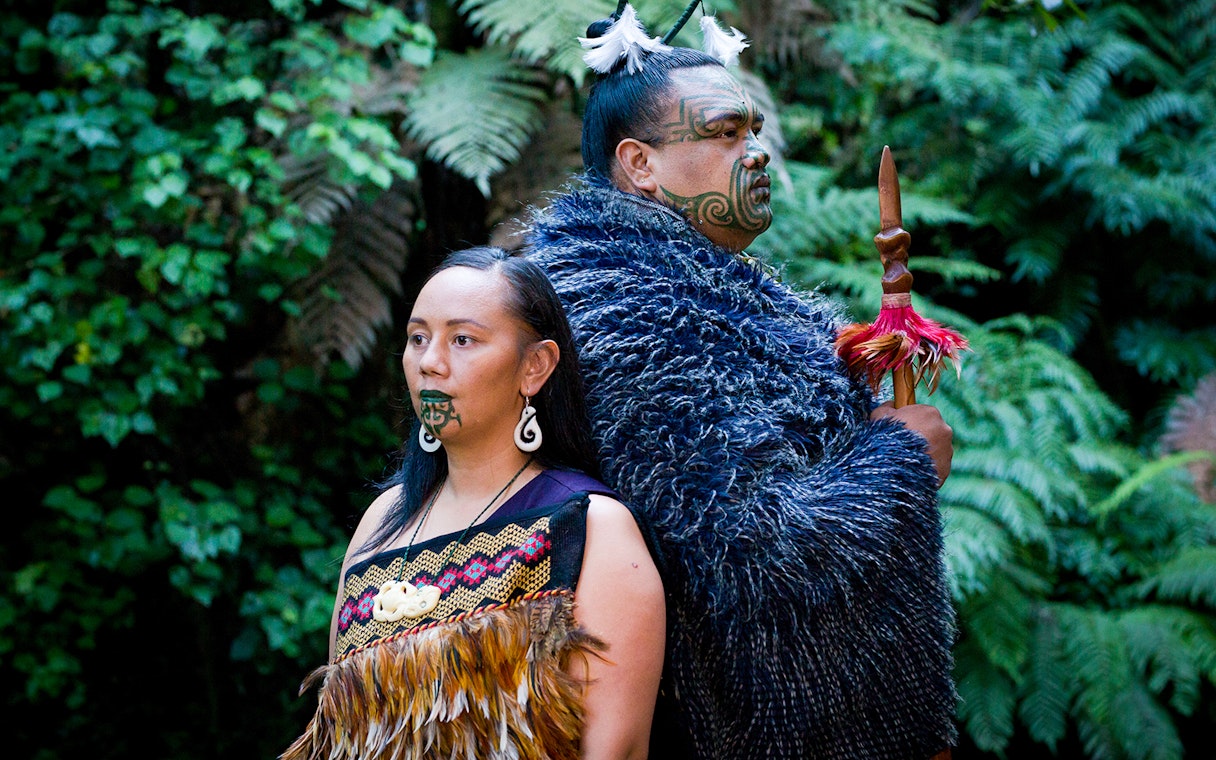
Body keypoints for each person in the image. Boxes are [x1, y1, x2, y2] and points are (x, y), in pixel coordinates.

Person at [523, 5, 957, 759]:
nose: (754, 152)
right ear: (640, 165)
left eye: (752, 130)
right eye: (724, 133)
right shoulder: (626, 309)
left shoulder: (697, 284)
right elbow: (746, 547)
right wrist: (900, 459)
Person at [282, 246, 665, 760]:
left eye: (463, 340)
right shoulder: (384, 522)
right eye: (418, 339)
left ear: (535, 366)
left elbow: (615, 748)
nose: (430, 363)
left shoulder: (592, 526)